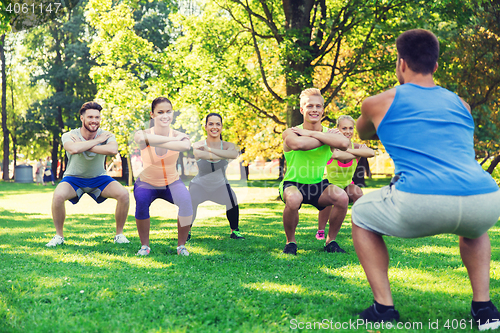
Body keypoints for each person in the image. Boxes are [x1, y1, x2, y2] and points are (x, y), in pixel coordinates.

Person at [352, 29, 500, 329]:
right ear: (435, 66)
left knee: (360, 214)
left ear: (401, 63)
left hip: (420, 201)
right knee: (475, 228)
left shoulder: (377, 102)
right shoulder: (461, 104)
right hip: (485, 198)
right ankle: (484, 309)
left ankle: (384, 308)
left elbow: (364, 132)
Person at [46, 101, 130, 247]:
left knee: (124, 194)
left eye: (97, 117)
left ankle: (119, 235)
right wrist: (97, 142)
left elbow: (112, 150)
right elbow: (72, 149)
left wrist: (83, 146)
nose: (94, 121)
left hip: (99, 178)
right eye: (90, 117)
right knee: (58, 196)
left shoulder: (107, 135)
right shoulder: (70, 135)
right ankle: (59, 236)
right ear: (82, 118)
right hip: (73, 179)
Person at [279, 88, 351, 255]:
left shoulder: (326, 132)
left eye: (318, 106)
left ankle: (330, 241)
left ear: (323, 110)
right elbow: (300, 145)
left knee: (342, 197)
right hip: (293, 184)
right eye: (309, 106)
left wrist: (310, 133)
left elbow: (344, 144)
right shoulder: (291, 132)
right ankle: (291, 242)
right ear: (302, 109)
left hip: (318, 185)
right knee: (294, 199)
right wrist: (327, 139)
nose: (314, 110)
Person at [133, 97, 193, 256]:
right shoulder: (143, 133)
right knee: (141, 203)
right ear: (152, 115)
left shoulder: (180, 135)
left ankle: (181, 246)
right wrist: (173, 140)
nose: (165, 115)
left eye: (168, 111)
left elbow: (186, 146)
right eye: (160, 112)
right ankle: (144, 246)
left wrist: (154, 140)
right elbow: (139, 139)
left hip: (172, 183)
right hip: (146, 183)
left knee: (186, 202)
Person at [315, 115, 374, 251]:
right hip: (329, 184)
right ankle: (321, 229)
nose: (348, 131)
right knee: (331, 198)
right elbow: (337, 155)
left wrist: (352, 151)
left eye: (350, 128)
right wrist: (359, 152)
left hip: (347, 184)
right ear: (338, 129)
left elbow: (370, 152)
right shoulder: (331, 146)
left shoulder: (355, 145)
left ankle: (362, 228)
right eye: (344, 128)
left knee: (358, 193)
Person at [189, 113, 244, 240]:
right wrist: (224, 154)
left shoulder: (228, 145)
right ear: (206, 127)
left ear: (221, 127)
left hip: (220, 186)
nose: (215, 127)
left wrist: (209, 149)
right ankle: (187, 231)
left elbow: (234, 154)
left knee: (232, 199)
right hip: (199, 185)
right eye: (211, 124)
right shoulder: (197, 145)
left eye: (218, 124)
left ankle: (235, 231)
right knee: (191, 199)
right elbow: (203, 155)